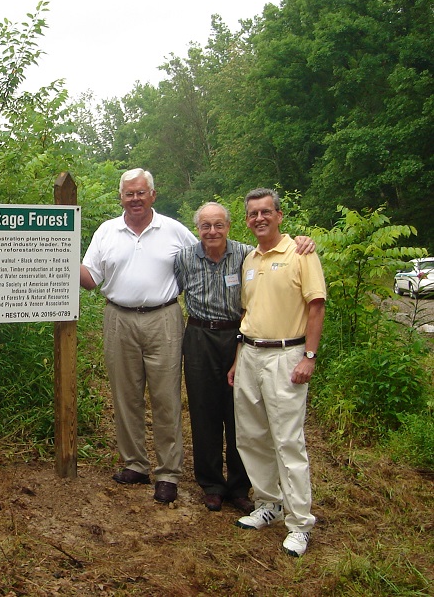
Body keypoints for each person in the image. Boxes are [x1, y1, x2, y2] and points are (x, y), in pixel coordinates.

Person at [174, 203, 315, 514]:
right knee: (202, 410)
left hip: (238, 337)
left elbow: (276, 253)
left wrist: (303, 240)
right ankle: (211, 484)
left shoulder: (246, 254)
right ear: (197, 228)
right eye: (205, 226)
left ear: (229, 226)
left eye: (218, 225)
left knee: (241, 413)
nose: (212, 232)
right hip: (198, 336)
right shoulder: (184, 257)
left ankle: (240, 486)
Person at [80, 168, 196, 504]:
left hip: (164, 317)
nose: (135, 199)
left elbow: (205, 261)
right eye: (129, 193)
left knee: (166, 397)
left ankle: (168, 473)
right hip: (119, 318)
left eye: (141, 192)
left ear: (153, 195)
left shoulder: (174, 231)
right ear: (121, 197)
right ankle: (135, 464)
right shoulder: (107, 232)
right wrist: (56, 256)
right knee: (124, 395)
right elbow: (91, 278)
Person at [227, 188, 326, 558]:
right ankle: (268, 503)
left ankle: (300, 523)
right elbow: (247, 315)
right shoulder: (249, 259)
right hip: (251, 354)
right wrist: (238, 358)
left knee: (287, 440)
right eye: (252, 214)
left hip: (287, 355)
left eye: (266, 212)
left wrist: (309, 357)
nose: (259, 219)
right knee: (251, 436)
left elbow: (315, 307)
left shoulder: (301, 253)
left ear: (279, 216)